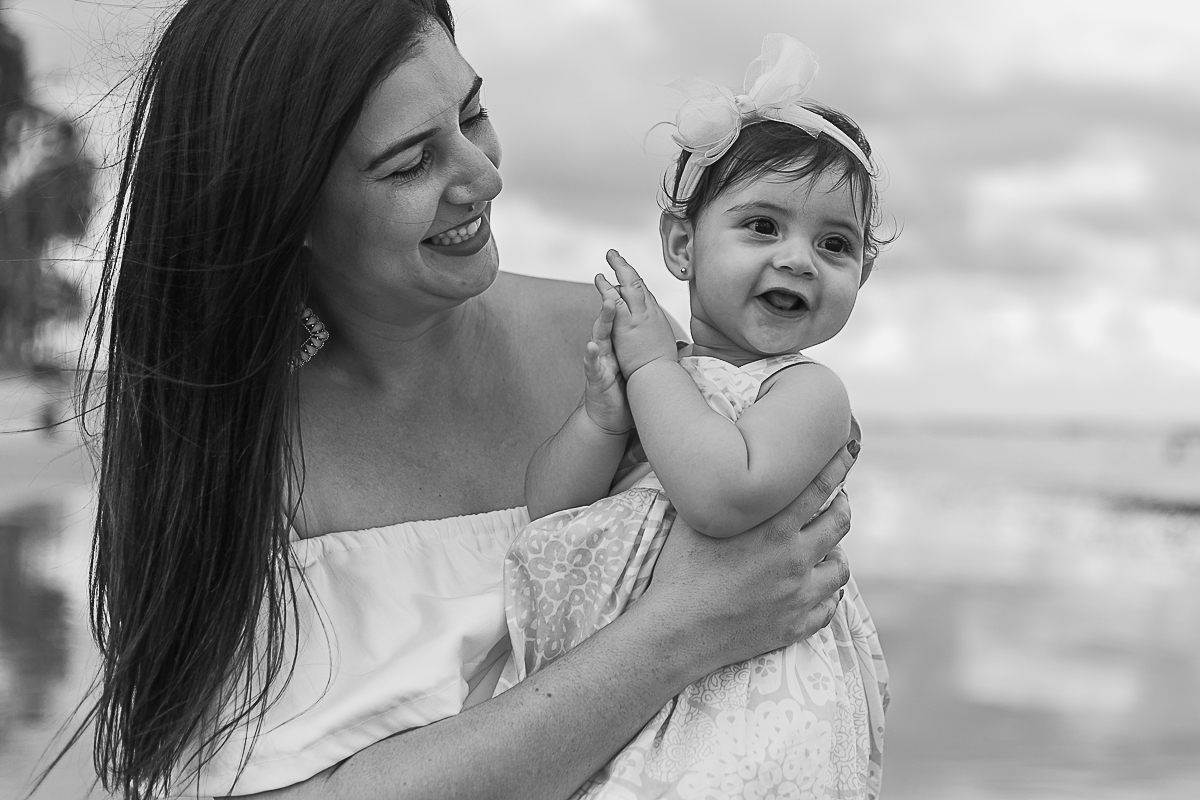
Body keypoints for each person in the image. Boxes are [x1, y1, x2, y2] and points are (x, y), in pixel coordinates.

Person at [77, 3, 859, 799]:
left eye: (473, 113)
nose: (485, 175)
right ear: (289, 210)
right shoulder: (227, 456)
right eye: (410, 164)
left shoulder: (617, 350)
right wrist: (671, 638)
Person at [502, 35, 889, 799]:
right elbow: (549, 514)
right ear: (682, 245)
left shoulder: (808, 392)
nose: (798, 258)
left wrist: (649, 368)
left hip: (751, 691)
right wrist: (601, 421)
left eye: (835, 243)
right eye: (762, 227)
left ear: (861, 276)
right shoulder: (660, 385)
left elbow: (720, 495)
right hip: (629, 669)